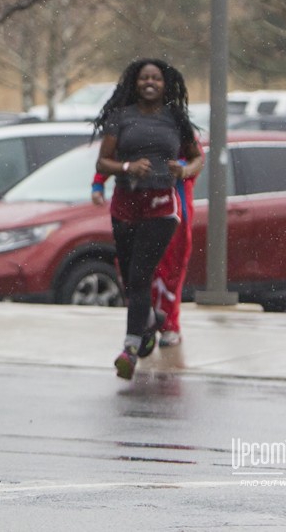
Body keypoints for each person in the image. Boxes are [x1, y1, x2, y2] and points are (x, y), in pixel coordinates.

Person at [92, 58, 203, 380]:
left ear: (165, 84)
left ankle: (129, 348)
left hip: (161, 206)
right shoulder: (120, 118)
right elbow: (102, 162)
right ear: (135, 83)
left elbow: (197, 158)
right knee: (130, 280)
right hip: (125, 204)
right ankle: (152, 320)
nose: (150, 83)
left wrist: (185, 170)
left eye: (156, 78)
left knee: (140, 276)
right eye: (144, 78)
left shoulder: (176, 119)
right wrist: (127, 167)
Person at [90, 142, 202, 348]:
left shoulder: (176, 128)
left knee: (169, 271)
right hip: (136, 206)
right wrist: (98, 183)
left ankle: (168, 324)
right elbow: (115, 154)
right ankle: (145, 321)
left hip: (170, 209)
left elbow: (196, 160)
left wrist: (180, 169)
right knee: (136, 271)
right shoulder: (129, 127)